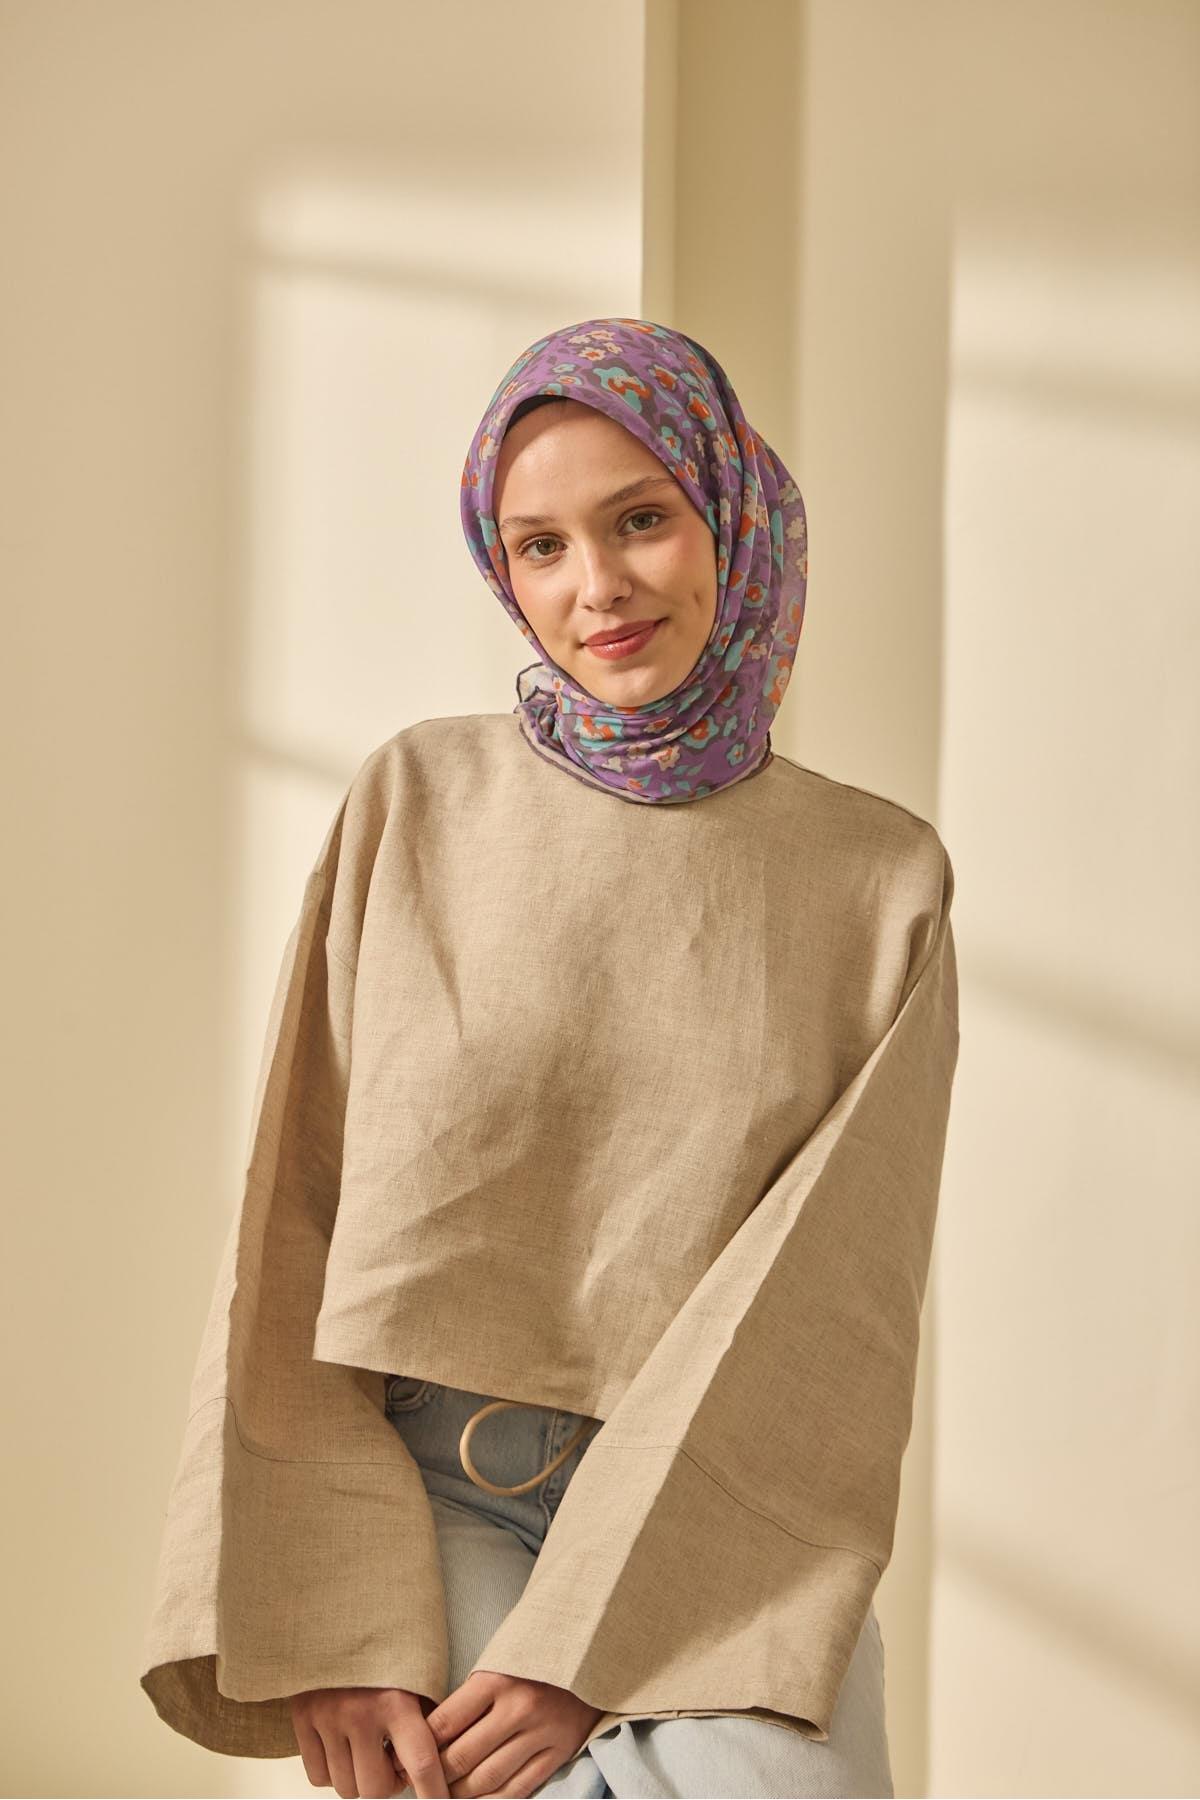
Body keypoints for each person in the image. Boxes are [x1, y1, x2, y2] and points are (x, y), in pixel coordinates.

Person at [139, 317, 960, 1800]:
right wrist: (332, 1607)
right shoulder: (417, 798)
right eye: (541, 546)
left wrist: (594, 1637)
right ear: (500, 569)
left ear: (734, 516)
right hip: (417, 1492)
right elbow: (293, 1217)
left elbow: (831, 1297)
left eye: (641, 520)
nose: (598, 586)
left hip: (723, 1509)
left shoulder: (879, 880)